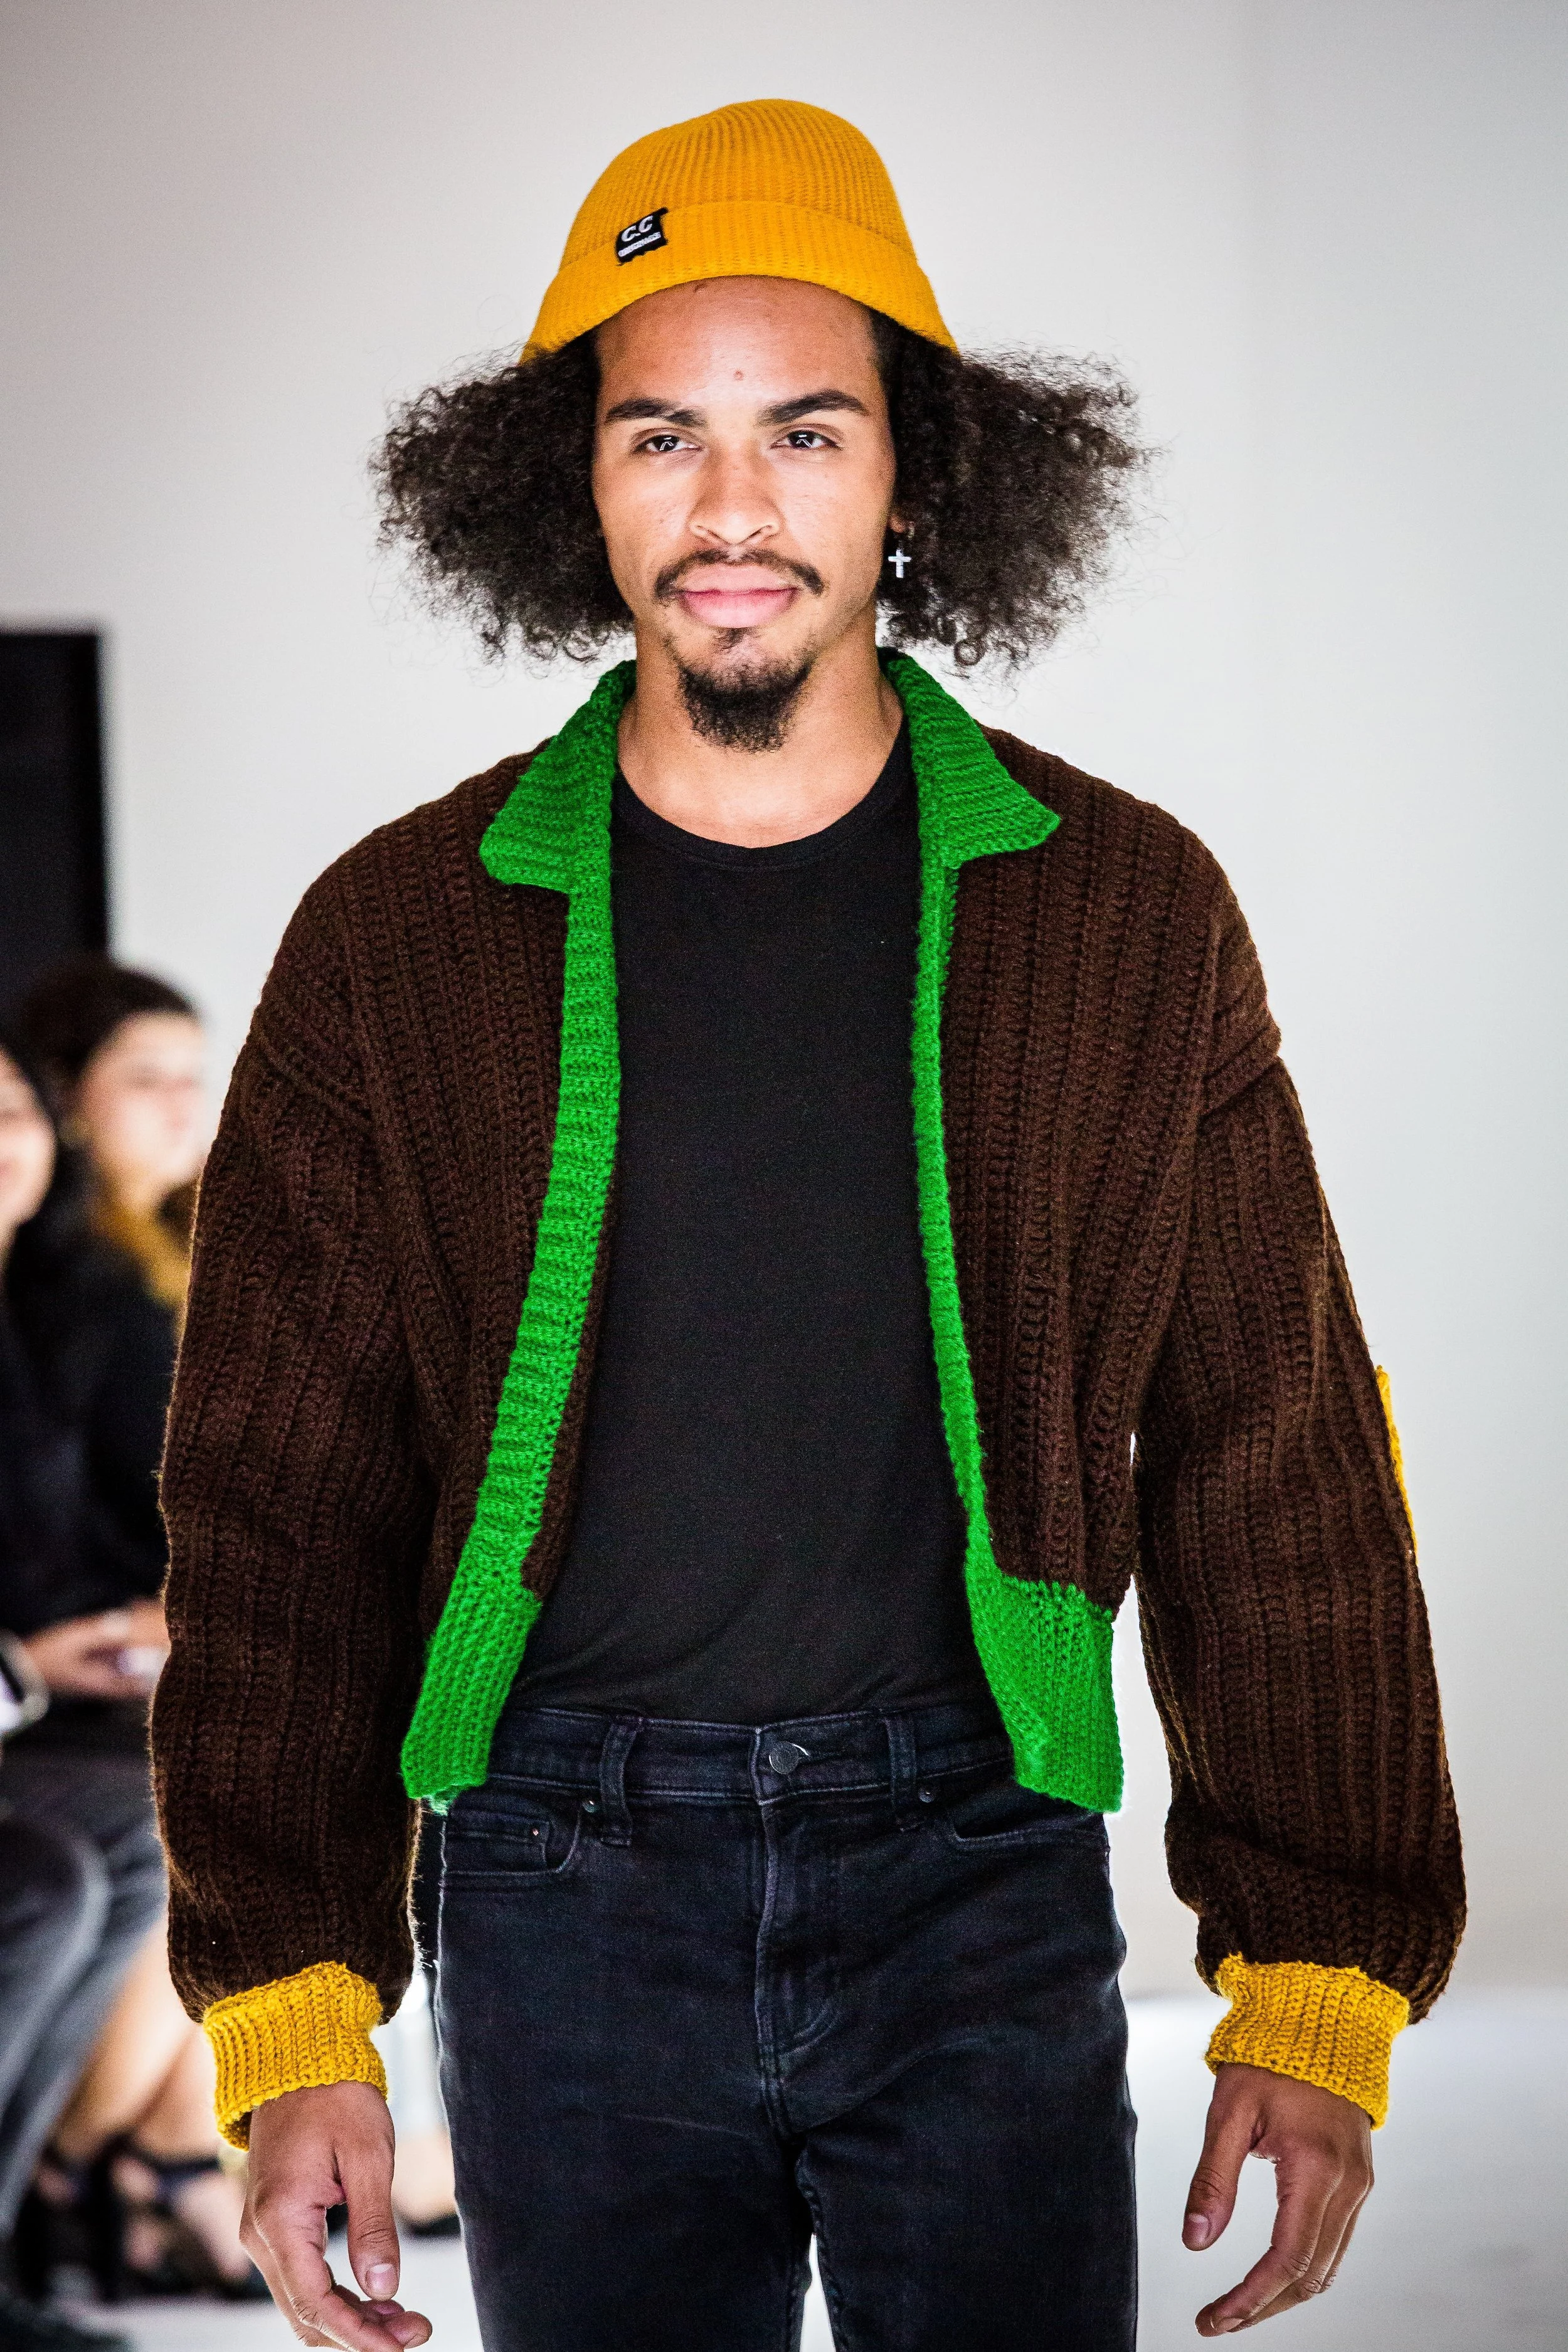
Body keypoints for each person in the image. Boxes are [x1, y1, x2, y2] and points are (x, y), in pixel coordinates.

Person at [152, 99, 1465, 2352]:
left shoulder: (1122, 910)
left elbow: (1273, 1449)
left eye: (807, 432)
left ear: (915, 475)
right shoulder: (396, 940)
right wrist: (291, 2012)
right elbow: (279, 1502)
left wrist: (1316, 1973)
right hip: (555, 1882)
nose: (733, 507)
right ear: (571, 480)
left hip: (977, 1859)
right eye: (661, 433)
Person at [9, 970, 257, 2301]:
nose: (184, 1107)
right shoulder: (79, 1284)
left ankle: (156, 2153)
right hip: (70, 1666)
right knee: (209, 1793)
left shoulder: (161, 1254)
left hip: (109, 1644)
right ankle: (103, 2160)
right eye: (145, 1079)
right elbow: (122, 1515)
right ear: (72, 1104)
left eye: (193, 1077)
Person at [0, 1028, 163, 2350]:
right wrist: (25, 1663)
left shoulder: (37, 1306)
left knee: (149, 1814)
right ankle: (126, 2170)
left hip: (36, 1698)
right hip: (19, 1698)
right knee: (61, 1866)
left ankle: (40, 2208)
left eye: (11, 1108)